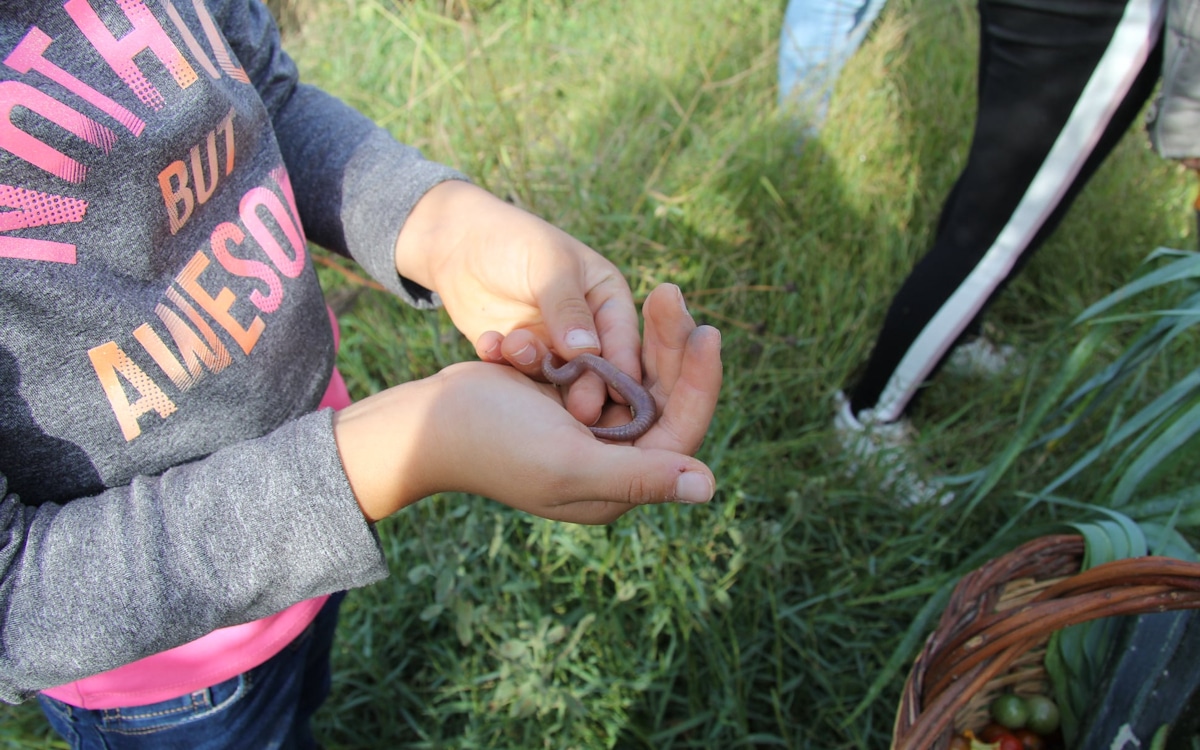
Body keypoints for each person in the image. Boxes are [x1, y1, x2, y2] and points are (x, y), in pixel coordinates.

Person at [0, 1, 723, 747]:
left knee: (298, 706)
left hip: (323, 502)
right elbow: (14, 595)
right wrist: (406, 449)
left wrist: (440, 226)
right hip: (166, 674)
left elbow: (261, 99)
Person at [779, 0, 1197, 503]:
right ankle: (869, 417)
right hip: (1098, 17)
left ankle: (960, 337)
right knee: (999, 231)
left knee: (994, 193)